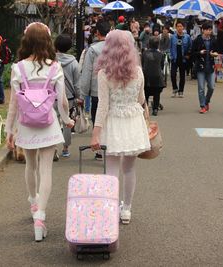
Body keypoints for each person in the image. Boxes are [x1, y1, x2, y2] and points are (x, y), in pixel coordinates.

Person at [5, 22, 74, 242]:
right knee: (46, 170)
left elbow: (14, 104)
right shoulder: (55, 67)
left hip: (26, 125)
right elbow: (62, 101)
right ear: (47, 40)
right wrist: (67, 120)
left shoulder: (18, 68)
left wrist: (9, 130)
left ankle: (33, 203)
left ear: (27, 41)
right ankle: (40, 219)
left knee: (30, 166)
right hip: (48, 124)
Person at [90, 30, 150, 225]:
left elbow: (103, 106)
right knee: (129, 168)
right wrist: (146, 112)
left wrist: (95, 133)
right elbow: (141, 99)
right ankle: (127, 209)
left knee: (112, 168)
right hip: (133, 121)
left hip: (114, 122)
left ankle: (110, 208)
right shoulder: (138, 71)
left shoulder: (104, 74)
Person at [79, 19, 111, 161]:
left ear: (97, 33)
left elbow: (86, 73)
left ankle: (98, 149)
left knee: (97, 118)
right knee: (109, 119)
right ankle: (110, 145)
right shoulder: (116, 48)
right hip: (112, 90)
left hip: (96, 89)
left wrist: (82, 93)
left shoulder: (92, 50)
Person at [54, 34, 81, 157]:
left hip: (52, 96)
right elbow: (77, 83)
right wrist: (79, 96)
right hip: (68, 97)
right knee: (67, 123)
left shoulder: (51, 61)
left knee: (52, 122)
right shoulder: (74, 62)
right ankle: (65, 148)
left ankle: (52, 148)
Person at [191, 22, 219, 114]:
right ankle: (202, 105)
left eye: (210, 30)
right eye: (207, 29)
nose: (208, 31)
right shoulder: (197, 40)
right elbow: (192, 53)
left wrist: (214, 54)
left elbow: (216, 51)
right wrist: (200, 52)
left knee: (211, 87)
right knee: (201, 88)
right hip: (200, 67)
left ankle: (206, 101)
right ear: (202, 30)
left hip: (210, 67)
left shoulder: (213, 40)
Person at [142, 37, 165, 116]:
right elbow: (161, 66)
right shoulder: (161, 54)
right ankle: (155, 109)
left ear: (149, 44)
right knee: (157, 94)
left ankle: (145, 108)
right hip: (157, 77)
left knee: (146, 93)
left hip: (146, 77)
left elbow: (142, 64)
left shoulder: (144, 53)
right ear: (158, 45)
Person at [170, 21, 192, 97]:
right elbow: (170, 47)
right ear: (176, 28)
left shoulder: (187, 37)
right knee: (173, 74)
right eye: (178, 26)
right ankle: (175, 88)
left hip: (183, 59)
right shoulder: (173, 37)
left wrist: (188, 55)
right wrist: (171, 56)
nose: (179, 28)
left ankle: (181, 91)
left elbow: (190, 47)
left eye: (181, 26)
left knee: (182, 76)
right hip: (174, 58)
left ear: (183, 27)